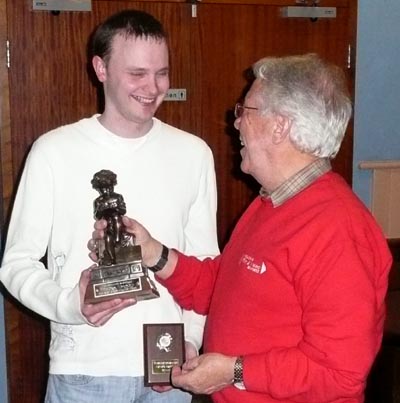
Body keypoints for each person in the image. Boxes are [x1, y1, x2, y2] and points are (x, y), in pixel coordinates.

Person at [91, 53, 393, 402]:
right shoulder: (271, 204)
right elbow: (222, 286)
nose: (235, 124)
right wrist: (154, 254)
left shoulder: (338, 229)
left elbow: (339, 374)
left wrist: (233, 370)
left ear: (280, 125)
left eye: (244, 111)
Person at [0, 9, 219, 403]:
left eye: (162, 73)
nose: (152, 87)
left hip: (168, 373)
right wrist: (71, 304)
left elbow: (205, 261)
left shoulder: (194, 154)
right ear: (100, 68)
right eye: (137, 73)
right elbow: (16, 264)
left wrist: (191, 339)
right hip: (84, 372)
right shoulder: (53, 152)